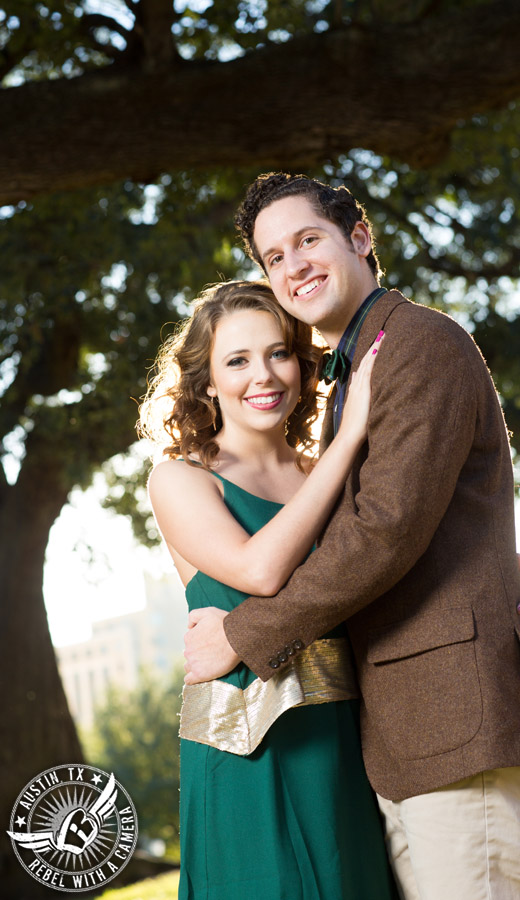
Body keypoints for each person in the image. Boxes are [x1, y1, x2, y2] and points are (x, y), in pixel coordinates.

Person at [183, 173, 520, 900]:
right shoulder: (350, 381)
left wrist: (242, 636)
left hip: (462, 730)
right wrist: (506, 572)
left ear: (360, 238)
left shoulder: (416, 344)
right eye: (274, 257)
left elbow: (385, 531)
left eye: (309, 240)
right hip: (401, 745)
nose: (294, 264)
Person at [140, 280, 399, 899]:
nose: (265, 375)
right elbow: (259, 572)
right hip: (243, 745)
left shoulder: (323, 472)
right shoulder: (178, 479)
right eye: (237, 360)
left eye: (279, 352)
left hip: (346, 740)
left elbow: (400, 548)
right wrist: (348, 441)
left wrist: (518, 575)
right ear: (206, 382)